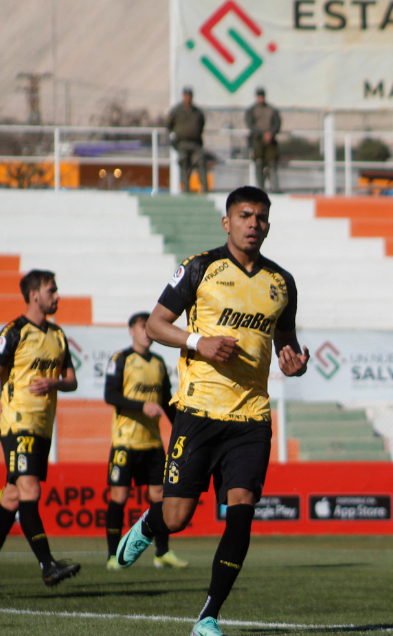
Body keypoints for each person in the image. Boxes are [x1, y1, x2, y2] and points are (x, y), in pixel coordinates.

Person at [115, 186, 309, 636]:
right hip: (199, 412)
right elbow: (155, 324)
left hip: (252, 420)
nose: (253, 224)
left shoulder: (283, 283)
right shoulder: (200, 267)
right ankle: (150, 522)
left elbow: (286, 342)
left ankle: (208, 616)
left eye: (261, 218)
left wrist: (293, 362)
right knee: (177, 517)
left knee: (242, 508)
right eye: (245, 216)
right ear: (227, 222)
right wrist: (198, 342)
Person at [0, 270, 81, 586]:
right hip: (18, 424)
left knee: (11, 496)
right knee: (29, 490)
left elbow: (72, 379)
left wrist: (56, 382)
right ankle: (48, 565)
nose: (57, 296)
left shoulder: (58, 335)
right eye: (52, 290)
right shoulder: (14, 331)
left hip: (43, 427)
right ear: (34, 294)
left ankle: (48, 564)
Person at [103, 312, 188, 571]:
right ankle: (112, 555)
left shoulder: (159, 363)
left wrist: (184, 431)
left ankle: (162, 552)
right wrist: (142, 406)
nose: (146, 332)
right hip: (125, 442)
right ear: (131, 330)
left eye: (148, 328)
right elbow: (111, 396)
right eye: (142, 327)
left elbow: (164, 402)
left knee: (160, 497)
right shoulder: (121, 359)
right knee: (119, 495)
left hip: (153, 443)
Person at [168, 86, 208, 194]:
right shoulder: (177, 111)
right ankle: (186, 190)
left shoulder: (197, 112)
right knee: (184, 164)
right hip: (182, 142)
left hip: (195, 143)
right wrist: (173, 140)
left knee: (201, 162)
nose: (188, 98)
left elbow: (201, 125)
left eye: (189, 96)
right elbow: (169, 126)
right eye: (186, 95)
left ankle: (205, 189)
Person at [245, 87, 281, 192]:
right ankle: (260, 189)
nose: (261, 98)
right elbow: (250, 125)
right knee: (259, 163)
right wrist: (262, 134)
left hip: (270, 141)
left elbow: (277, 123)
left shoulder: (271, 110)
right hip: (258, 141)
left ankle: (275, 188)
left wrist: (271, 134)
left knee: (272, 163)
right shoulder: (252, 110)